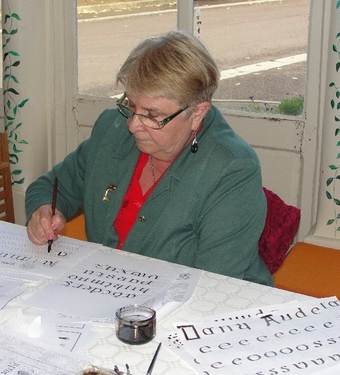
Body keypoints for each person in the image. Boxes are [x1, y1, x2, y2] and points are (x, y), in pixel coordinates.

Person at [25, 30, 273, 286]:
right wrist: (43, 210)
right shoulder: (112, 130)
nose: (133, 125)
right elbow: (50, 187)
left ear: (198, 113)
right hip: (110, 292)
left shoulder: (232, 168)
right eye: (131, 105)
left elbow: (212, 284)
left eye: (152, 115)